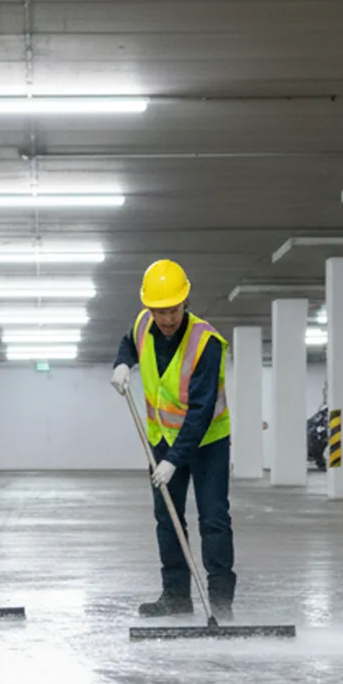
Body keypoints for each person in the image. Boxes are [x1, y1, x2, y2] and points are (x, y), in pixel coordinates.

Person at [111, 259, 238, 620]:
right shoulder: (142, 324)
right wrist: (122, 363)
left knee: (214, 517)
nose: (166, 318)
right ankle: (176, 595)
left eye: (173, 310)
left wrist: (172, 460)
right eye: (158, 311)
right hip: (163, 437)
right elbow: (128, 341)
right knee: (168, 516)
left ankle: (221, 603)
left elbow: (200, 412)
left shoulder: (206, 343)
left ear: (186, 301)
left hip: (207, 441)